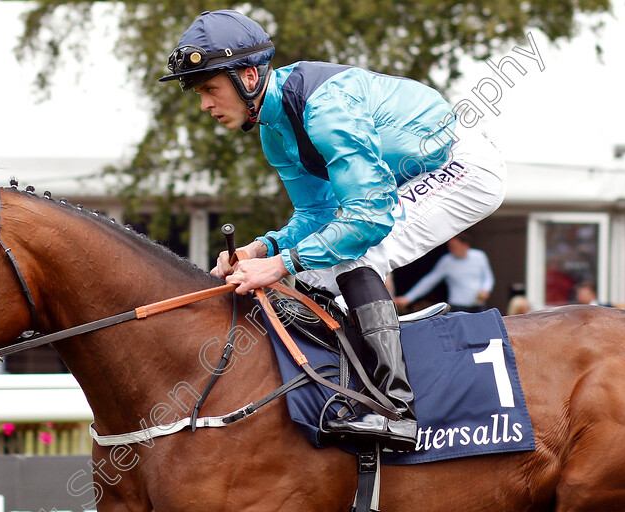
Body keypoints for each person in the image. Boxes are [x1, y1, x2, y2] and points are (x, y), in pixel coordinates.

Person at [160, 10, 507, 450]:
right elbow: (317, 215)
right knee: (311, 272)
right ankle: (339, 388)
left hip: (463, 166)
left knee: (357, 253)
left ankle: (398, 411)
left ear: (249, 76)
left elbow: (367, 218)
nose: (205, 105)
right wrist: (261, 248)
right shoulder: (273, 130)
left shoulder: (325, 110)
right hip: (400, 182)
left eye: (210, 89)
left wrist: (278, 264)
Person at [394, 233, 495, 313]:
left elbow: (488, 277)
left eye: (454, 247)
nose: (451, 249)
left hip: (478, 306)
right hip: (457, 307)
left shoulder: (479, 256)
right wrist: (408, 298)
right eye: (450, 247)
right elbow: (430, 280)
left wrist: (485, 289)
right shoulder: (447, 261)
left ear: (465, 245)